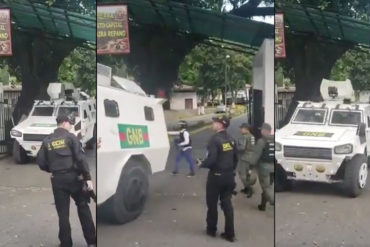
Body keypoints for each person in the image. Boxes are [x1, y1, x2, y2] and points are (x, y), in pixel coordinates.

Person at [37, 115, 96, 247]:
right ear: (64, 123)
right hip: (74, 178)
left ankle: (66, 244)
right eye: (69, 123)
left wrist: (54, 169)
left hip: (57, 180)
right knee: (83, 207)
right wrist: (87, 178)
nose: (70, 125)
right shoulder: (71, 137)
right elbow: (80, 159)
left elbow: (41, 162)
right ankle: (92, 241)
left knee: (63, 214)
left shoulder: (47, 141)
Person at [197, 115, 238, 242]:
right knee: (227, 204)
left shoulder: (214, 140)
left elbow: (212, 159)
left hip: (216, 177)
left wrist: (201, 164)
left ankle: (211, 230)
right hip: (229, 176)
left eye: (215, 122)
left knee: (212, 204)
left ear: (221, 125)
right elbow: (235, 159)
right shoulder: (232, 139)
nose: (213, 124)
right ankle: (230, 234)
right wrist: (230, 171)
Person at [251, 122, 274, 211]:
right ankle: (262, 205)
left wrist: (250, 167)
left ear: (264, 131)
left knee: (266, 187)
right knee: (268, 186)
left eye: (261, 130)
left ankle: (273, 201)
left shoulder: (261, 141)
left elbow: (255, 156)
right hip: (273, 167)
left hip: (264, 167)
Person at [237, 123, 257, 198]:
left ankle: (249, 189)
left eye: (241, 128)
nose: (240, 130)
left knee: (242, 174)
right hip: (251, 157)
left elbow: (241, 148)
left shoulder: (244, 137)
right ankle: (246, 188)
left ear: (246, 129)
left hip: (244, 158)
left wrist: (235, 148)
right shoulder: (252, 136)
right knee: (248, 173)